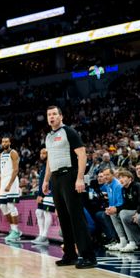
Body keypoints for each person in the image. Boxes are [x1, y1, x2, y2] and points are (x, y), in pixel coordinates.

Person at [43, 106, 96, 268]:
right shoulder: (48, 136)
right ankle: (70, 255)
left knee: (76, 217)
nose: (51, 117)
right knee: (63, 218)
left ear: (61, 116)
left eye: (54, 114)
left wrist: (80, 178)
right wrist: (46, 181)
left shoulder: (69, 132)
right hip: (56, 179)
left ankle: (88, 257)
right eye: (49, 115)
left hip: (70, 175)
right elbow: (49, 161)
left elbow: (82, 155)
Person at [0, 136, 21, 242]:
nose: (4, 143)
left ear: (10, 142)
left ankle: (16, 231)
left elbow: (16, 170)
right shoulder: (1, 154)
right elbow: (1, 172)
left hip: (12, 181)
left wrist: (9, 184)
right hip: (3, 182)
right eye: (3, 141)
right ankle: (13, 230)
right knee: (2, 206)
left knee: (11, 205)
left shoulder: (13, 153)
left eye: (6, 141)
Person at [33, 147, 55, 245]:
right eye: (41, 153)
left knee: (46, 212)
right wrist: (39, 195)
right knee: (38, 212)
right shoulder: (43, 166)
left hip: (50, 192)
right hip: (43, 193)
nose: (42, 155)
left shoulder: (52, 164)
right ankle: (41, 234)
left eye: (44, 153)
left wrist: (46, 193)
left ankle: (45, 236)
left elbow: (50, 181)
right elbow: (42, 182)